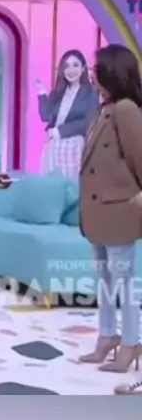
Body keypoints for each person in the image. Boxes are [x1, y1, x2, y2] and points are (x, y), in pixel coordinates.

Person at [78, 44, 142, 375]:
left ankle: (131, 342)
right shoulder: (103, 109)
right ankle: (107, 336)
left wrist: (137, 200)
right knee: (104, 281)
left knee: (125, 284)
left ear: (112, 71)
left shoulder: (127, 110)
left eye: (95, 68)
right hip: (97, 214)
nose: (91, 74)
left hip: (119, 212)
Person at [36, 49, 98, 177]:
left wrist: (60, 131)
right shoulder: (57, 92)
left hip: (74, 146)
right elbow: (46, 116)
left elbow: (89, 121)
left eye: (75, 65)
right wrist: (42, 92)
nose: (71, 70)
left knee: (72, 183)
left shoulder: (91, 93)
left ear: (83, 68)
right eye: (67, 66)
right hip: (53, 147)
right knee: (52, 183)